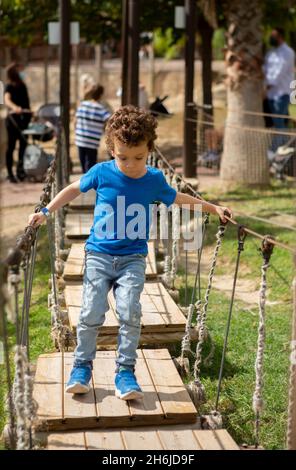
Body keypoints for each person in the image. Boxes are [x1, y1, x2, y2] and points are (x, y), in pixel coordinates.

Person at [28, 105, 233, 400]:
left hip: (133, 259)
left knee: (129, 313)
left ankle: (125, 372)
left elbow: (179, 198)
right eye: (123, 157)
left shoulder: (154, 180)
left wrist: (213, 208)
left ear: (149, 149)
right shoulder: (102, 172)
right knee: (90, 313)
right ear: (112, 150)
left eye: (139, 157)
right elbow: (74, 188)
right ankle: (82, 368)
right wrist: (46, 211)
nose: (131, 164)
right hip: (98, 255)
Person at [264, 28, 295, 149]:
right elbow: (265, 69)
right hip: (271, 94)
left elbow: (278, 74)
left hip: (282, 93)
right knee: (278, 122)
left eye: (274, 35)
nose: (271, 38)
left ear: (281, 36)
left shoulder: (288, 52)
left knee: (279, 122)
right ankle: (286, 148)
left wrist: (265, 89)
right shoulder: (271, 52)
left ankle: (276, 150)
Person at [4, 62, 31, 183]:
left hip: (24, 121)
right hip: (13, 121)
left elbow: (27, 103)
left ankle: (20, 172)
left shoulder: (23, 85)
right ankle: (10, 174)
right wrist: (15, 108)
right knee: (11, 147)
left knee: (23, 147)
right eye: (19, 70)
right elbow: (7, 99)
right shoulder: (9, 86)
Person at [75, 84, 111, 173]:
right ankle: (89, 185)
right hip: (92, 142)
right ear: (101, 95)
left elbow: (75, 121)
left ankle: (85, 184)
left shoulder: (82, 105)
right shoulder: (102, 109)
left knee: (83, 165)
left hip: (80, 140)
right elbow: (109, 123)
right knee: (90, 166)